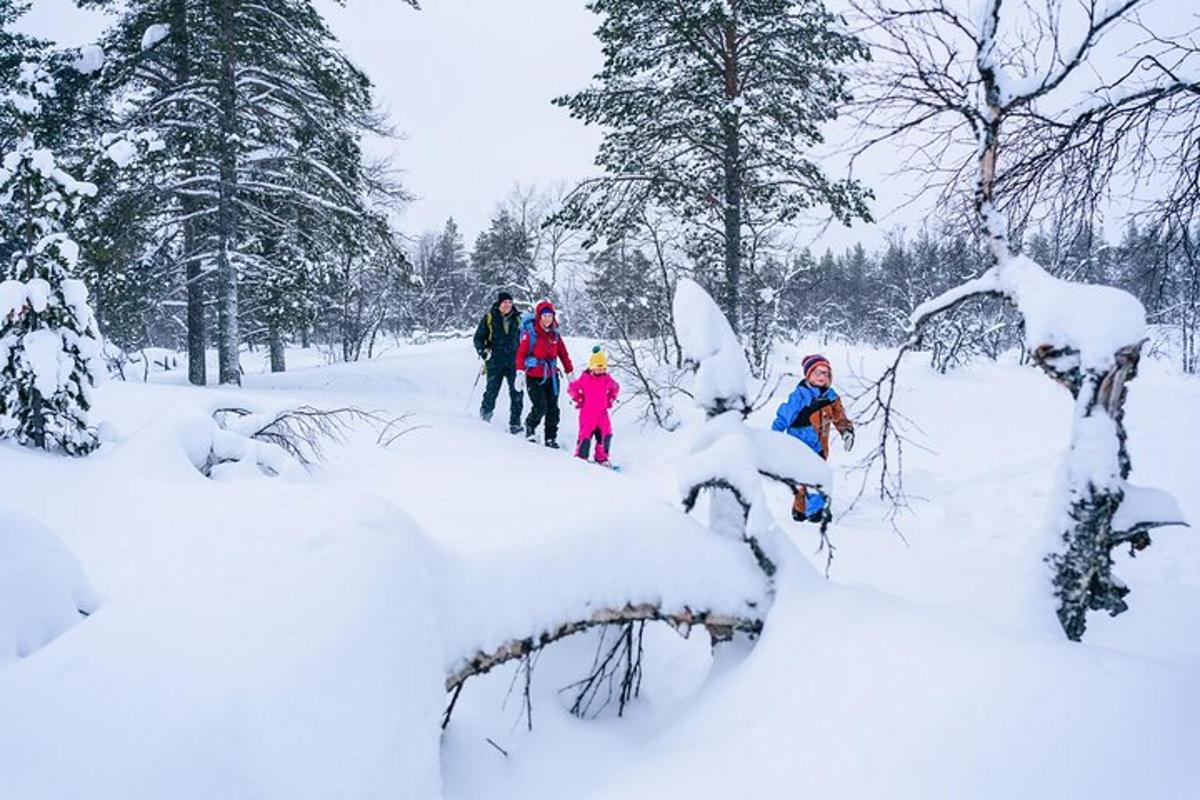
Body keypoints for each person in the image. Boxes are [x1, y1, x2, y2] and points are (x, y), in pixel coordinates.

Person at [771, 354, 855, 523]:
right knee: (816, 478)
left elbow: (839, 417)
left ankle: (800, 511)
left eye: (826, 373)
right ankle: (817, 513)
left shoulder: (831, 397)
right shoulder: (799, 396)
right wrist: (774, 438)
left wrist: (846, 431)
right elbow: (783, 417)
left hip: (819, 447)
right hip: (798, 447)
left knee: (805, 480)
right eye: (818, 373)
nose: (822, 377)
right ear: (808, 375)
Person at [515, 300, 574, 448]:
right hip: (534, 377)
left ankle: (550, 438)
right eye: (545, 316)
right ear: (539, 317)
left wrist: (570, 372)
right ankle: (530, 426)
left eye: (550, 316)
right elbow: (521, 354)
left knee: (553, 408)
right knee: (540, 406)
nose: (548, 319)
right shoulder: (531, 333)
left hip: (552, 376)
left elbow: (563, 354)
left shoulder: (555, 334)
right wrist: (520, 373)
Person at [472, 291, 523, 434]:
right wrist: (483, 351)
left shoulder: (518, 319)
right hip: (494, 361)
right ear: (499, 304)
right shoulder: (489, 317)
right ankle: (485, 417)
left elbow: (525, 339)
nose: (507, 305)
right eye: (505, 302)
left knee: (517, 392)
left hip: (514, 361)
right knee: (492, 390)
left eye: (510, 302)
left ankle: (515, 423)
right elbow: (478, 338)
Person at [568, 346, 620, 466]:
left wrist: (610, 399)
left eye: (603, 368)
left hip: (602, 414)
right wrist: (578, 398)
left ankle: (602, 458)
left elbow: (616, 387)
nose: (600, 370)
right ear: (592, 367)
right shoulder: (586, 378)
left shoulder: (606, 379)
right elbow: (572, 387)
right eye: (598, 367)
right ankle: (581, 458)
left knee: (606, 434)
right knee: (585, 436)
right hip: (587, 414)